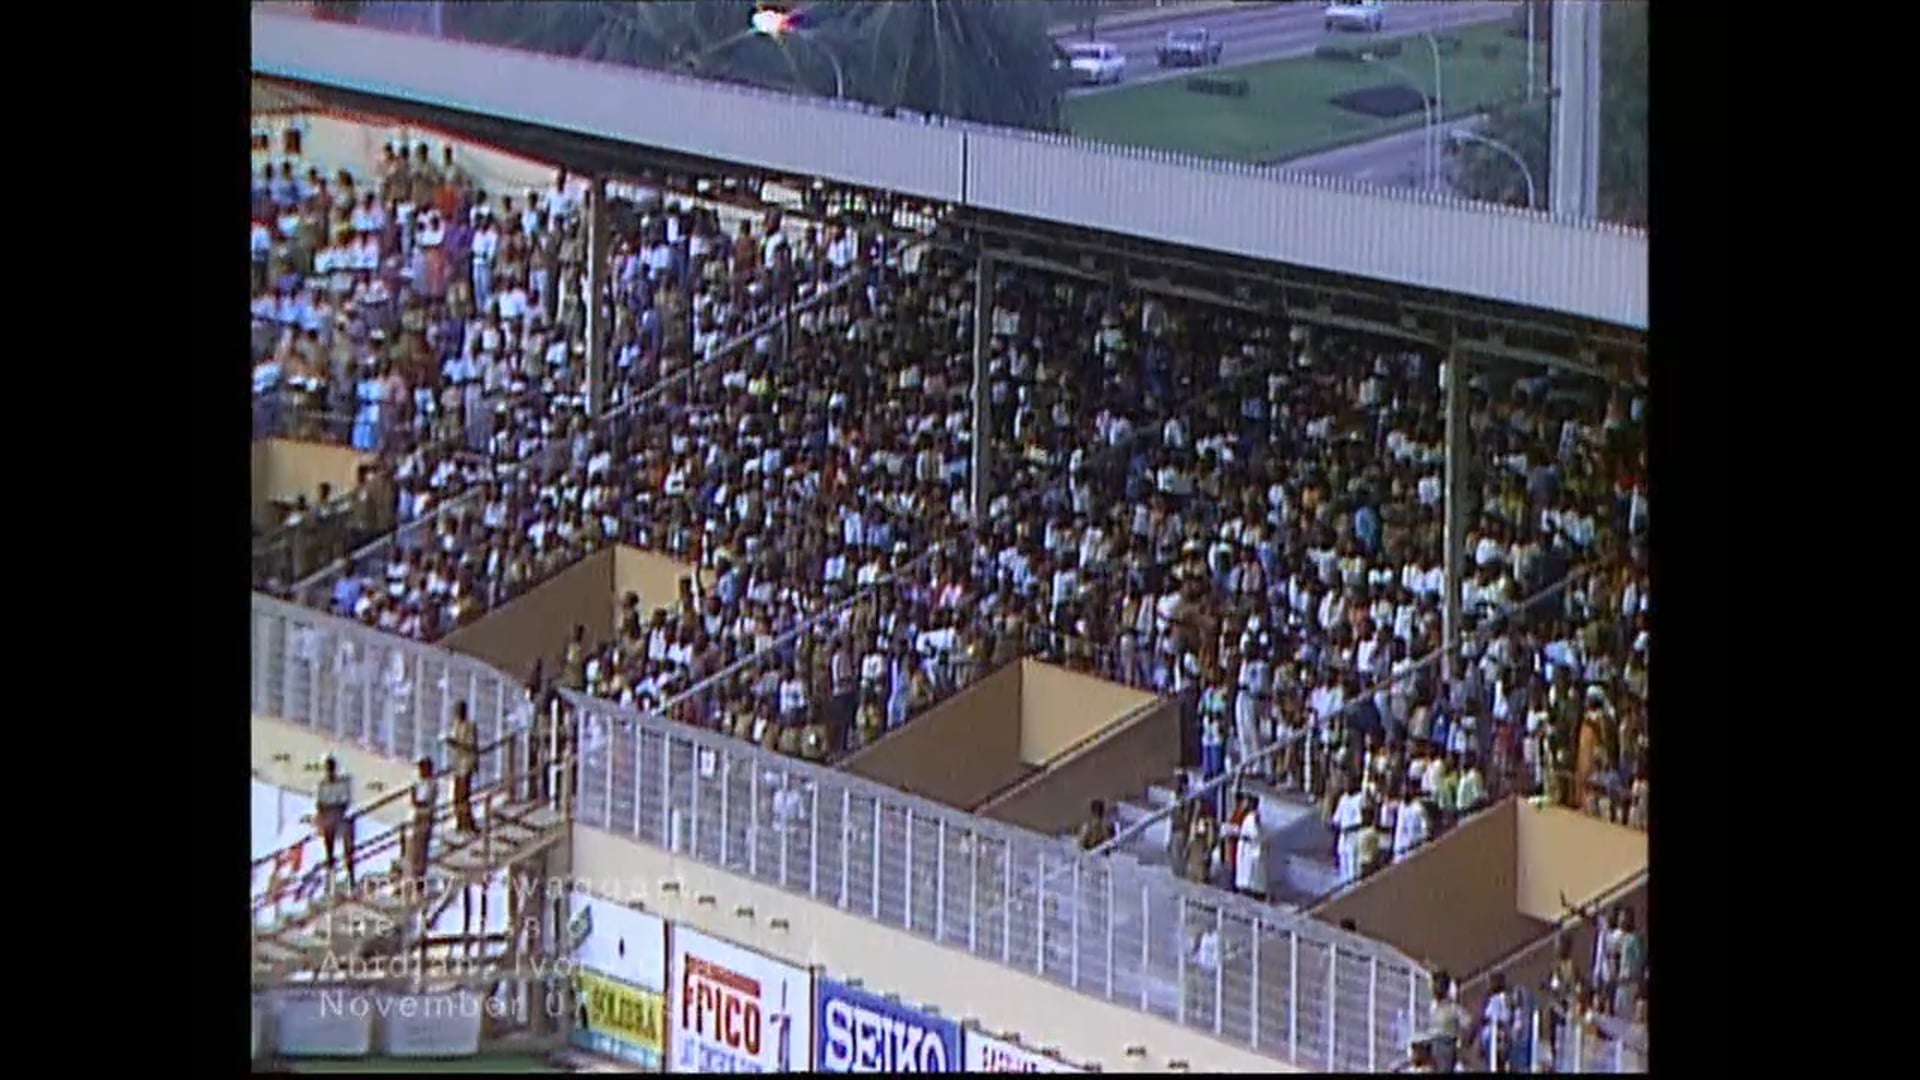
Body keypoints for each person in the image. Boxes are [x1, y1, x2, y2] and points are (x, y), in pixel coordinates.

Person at [314, 756, 355, 890]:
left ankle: (350, 873)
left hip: (340, 814)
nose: (329, 772)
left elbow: (345, 801)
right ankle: (330, 867)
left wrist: (335, 806)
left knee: (347, 836)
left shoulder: (342, 783)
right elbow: (319, 804)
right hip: (328, 817)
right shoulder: (322, 784)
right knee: (328, 830)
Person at [444, 701, 479, 833]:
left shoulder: (470, 726)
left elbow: (470, 745)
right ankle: (460, 822)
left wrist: (456, 743)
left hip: (466, 763)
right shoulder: (456, 724)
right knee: (456, 796)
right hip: (457, 764)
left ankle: (468, 823)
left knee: (463, 795)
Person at [1330, 774, 1370, 886]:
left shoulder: (1360, 798)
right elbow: (1336, 819)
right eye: (1345, 783)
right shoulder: (1343, 799)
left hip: (1354, 836)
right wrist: (1332, 824)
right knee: (1343, 865)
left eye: (1349, 783)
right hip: (1343, 837)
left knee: (1353, 868)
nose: (1346, 785)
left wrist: (1348, 828)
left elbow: (1362, 820)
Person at [409, 756, 439, 888]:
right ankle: (415, 874)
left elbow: (427, 801)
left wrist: (417, 802)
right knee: (416, 846)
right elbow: (414, 800)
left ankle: (420, 876)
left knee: (422, 848)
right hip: (418, 816)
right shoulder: (419, 783)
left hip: (426, 816)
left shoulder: (432, 784)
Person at [1229, 792, 1265, 899]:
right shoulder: (1246, 815)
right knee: (1243, 868)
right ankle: (1242, 887)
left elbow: (1254, 833)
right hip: (1244, 845)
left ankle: (1249, 889)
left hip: (1250, 846)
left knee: (1249, 869)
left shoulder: (1253, 817)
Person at [1166, 773, 1195, 876]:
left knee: (1181, 859)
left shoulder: (1188, 799)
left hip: (1183, 831)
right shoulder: (1173, 797)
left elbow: (1189, 818)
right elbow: (1170, 817)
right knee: (1174, 859)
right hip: (1174, 829)